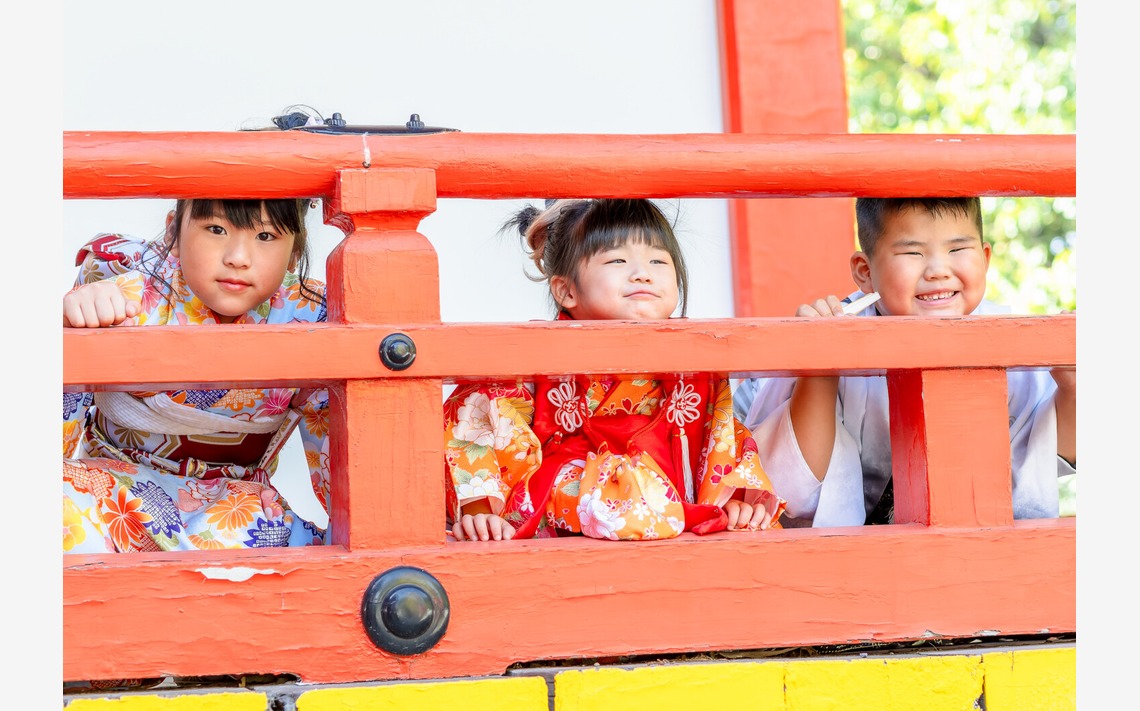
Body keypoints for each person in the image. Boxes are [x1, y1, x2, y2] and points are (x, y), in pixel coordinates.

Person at [444, 198, 785, 541]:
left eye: (658, 260)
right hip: (569, 507)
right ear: (566, 290)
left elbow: (720, 437)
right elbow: (477, 421)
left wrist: (735, 500)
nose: (642, 273)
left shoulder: (695, 364)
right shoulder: (533, 358)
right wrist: (481, 511)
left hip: (669, 504)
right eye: (618, 260)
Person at [734, 197, 1076, 527]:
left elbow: (1052, 457)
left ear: (985, 258)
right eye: (913, 252)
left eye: (957, 249)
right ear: (864, 271)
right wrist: (822, 368)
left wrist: (1072, 386)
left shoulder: (1008, 337)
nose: (939, 271)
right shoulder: (837, 330)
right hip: (850, 561)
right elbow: (795, 490)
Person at [63, 198, 330, 552]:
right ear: (174, 231)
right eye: (216, 229)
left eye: (265, 236)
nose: (238, 256)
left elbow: (342, 459)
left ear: (295, 252)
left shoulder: (310, 318)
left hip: (235, 507)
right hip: (111, 489)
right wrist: (68, 330)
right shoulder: (125, 292)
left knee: (306, 565)